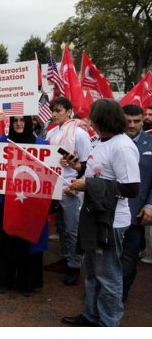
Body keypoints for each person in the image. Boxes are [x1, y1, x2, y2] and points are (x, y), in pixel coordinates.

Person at [62, 99, 140, 327]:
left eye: (93, 118)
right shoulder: (103, 141)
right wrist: (78, 168)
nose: (90, 122)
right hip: (96, 214)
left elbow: (131, 188)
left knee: (108, 275)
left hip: (112, 220)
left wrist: (87, 186)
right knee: (94, 272)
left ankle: (109, 323)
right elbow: (99, 172)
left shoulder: (122, 147)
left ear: (102, 119)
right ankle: (92, 315)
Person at [0, 115, 49, 297]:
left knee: (28, 239)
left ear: (29, 123)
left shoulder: (42, 144)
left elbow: (57, 164)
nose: (19, 124)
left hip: (31, 203)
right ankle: (3, 279)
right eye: (15, 120)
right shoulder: (4, 141)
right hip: (5, 201)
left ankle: (27, 282)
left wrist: (70, 162)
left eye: (22, 120)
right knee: (5, 239)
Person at [44, 96, 91, 286]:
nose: (54, 114)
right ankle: (65, 258)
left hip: (71, 187)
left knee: (72, 228)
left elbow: (87, 164)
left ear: (69, 111)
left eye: (59, 111)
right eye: (53, 111)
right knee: (61, 226)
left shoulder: (79, 134)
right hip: (55, 186)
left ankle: (74, 265)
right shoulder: (52, 133)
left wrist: (77, 175)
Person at [118, 105, 152, 302]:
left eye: (136, 121)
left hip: (136, 213)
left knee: (129, 258)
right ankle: (105, 293)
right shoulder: (110, 141)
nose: (132, 125)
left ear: (142, 120)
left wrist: (150, 205)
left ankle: (121, 294)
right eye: (128, 121)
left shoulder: (150, 144)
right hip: (110, 211)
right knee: (105, 257)